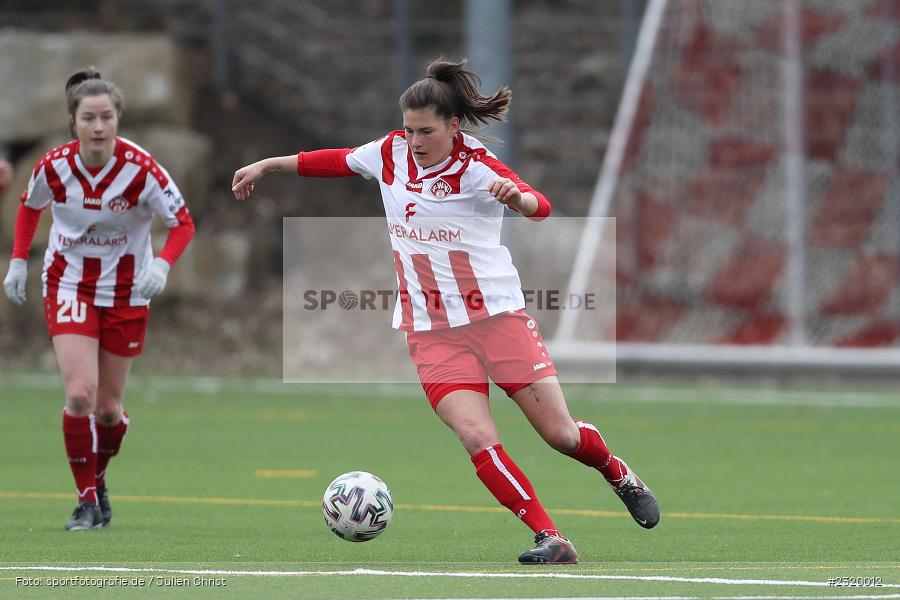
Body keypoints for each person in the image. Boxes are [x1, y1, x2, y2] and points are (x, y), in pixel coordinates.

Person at [232, 59, 659, 563]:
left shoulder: (476, 166)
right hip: (431, 330)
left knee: (560, 435)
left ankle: (618, 474)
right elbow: (338, 160)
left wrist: (517, 198)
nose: (414, 140)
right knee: (477, 436)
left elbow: (540, 205)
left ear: (453, 126)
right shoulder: (389, 152)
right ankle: (551, 538)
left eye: (426, 131)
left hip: (497, 319)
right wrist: (271, 164)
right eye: (409, 129)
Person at [2, 68, 195, 531]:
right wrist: (16, 261)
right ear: (74, 122)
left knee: (109, 409)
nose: (98, 126)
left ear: (117, 120)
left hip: (127, 293)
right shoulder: (53, 166)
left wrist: (162, 264)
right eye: (88, 117)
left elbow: (182, 223)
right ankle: (85, 500)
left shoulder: (142, 169)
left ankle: (99, 480)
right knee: (80, 394)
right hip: (69, 284)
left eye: (106, 117)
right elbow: (30, 207)